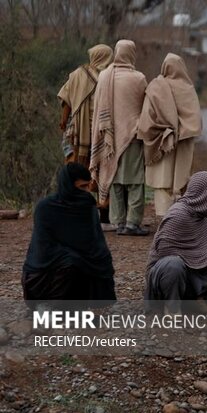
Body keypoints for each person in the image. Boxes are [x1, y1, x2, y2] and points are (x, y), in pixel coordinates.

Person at [144, 171, 207, 313]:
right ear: (203, 193)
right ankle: (171, 308)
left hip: (190, 271)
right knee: (173, 265)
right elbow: (164, 252)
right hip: (165, 277)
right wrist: (204, 258)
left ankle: (202, 299)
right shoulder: (178, 214)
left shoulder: (202, 215)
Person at [22, 163, 116, 306]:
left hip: (75, 269)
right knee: (71, 262)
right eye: (81, 187)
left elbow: (95, 244)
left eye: (87, 187)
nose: (85, 192)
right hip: (43, 278)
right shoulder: (46, 208)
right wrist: (75, 256)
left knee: (101, 259)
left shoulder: (87, 206)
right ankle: (49, 307)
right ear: (68, 185)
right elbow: (44, 251)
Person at [90, 39, 149, 236]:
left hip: (109, 138)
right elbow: (145, 107)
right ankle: (133, 223)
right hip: (132, 136)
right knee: (135, 182)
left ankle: (118, 222)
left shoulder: (104, 76)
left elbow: (97, 108)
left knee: (114, 180)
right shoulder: (139, 78)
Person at [138, 53, 202, 219]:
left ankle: (164, 216)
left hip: (161, 140)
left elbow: (147, 115)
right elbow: (195, 118)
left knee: (162, 178)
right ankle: (181, 217)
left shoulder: (155, 86)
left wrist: (163, 129)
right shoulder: (188, 88)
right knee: (181, 179)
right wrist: (181, 130)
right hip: (183, 141)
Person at [57, 44, 114, 226]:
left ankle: (74, 210)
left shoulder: (77, 74)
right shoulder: (111, 77)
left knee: (75, 169)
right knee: (103, 170)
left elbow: (66, 101)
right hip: (102, 133)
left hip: (78, 136)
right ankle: (104, 213)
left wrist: (64, 121)